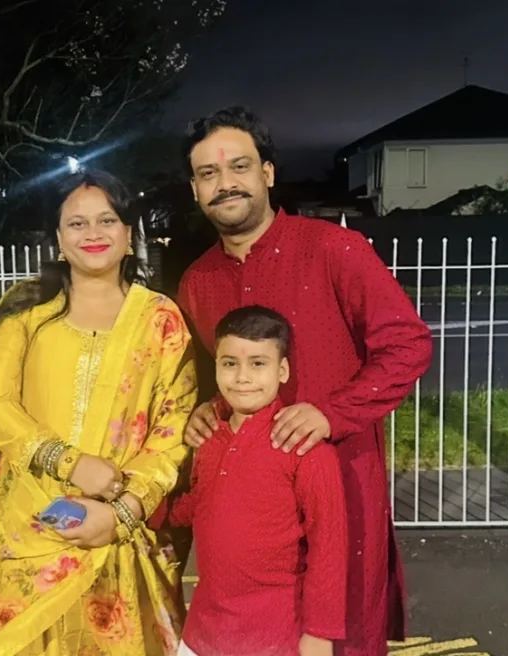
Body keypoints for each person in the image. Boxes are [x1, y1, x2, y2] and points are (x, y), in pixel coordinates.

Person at [176, 107, 433, 656]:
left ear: (268, 173)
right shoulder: (198, 282)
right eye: (207, 174)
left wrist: (332, 413)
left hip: (339, 484)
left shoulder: (333, 251)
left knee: (342, 638)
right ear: (195, 189)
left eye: (239, 166)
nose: (225, 184)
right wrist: (205, 407)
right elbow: (215, 372)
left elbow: (407, 345)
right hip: (253, 516)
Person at [0, 169, 197, 656]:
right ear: (56, 237)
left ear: (129, 233)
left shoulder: (161, 319)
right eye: (76, 223)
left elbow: (172, 429)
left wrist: (122, 511)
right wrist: (71, 464)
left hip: (121, 530)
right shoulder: (26, 308)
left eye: (106, 220)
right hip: (31, 525)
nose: (92, 234)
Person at [168, 305, 347, 656]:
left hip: (273, 636)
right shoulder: (207, 438)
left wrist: (320, 633)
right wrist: (138, 507)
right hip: (203, 632)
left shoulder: (305, 448)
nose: (242, 377)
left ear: (282, 371)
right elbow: (196, 505)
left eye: (258, 364)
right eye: (230, 363)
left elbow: (329, 547)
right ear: (216, 367)